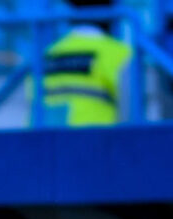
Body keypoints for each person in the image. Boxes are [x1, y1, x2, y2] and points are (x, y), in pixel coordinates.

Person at [35, 0, 133, 128]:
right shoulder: (119, 53)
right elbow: (130, 115)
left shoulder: (48, 55)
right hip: (98, 142)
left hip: (48, 142)